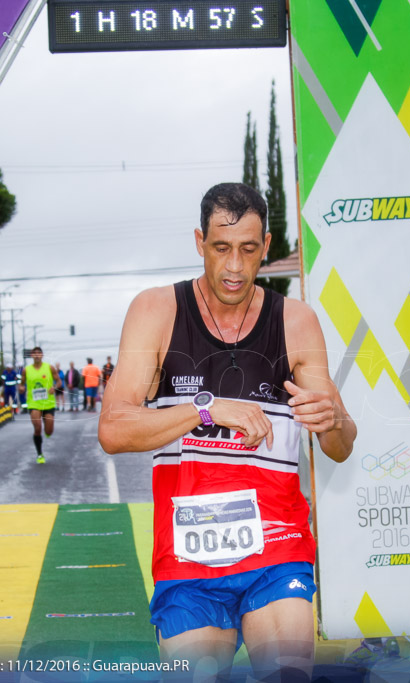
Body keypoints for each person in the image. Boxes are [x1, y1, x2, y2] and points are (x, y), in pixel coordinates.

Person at [98, 183, 356, 681]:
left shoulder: (297, 322)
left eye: (248, 249)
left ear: (267, 245)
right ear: (199, 242)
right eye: (221, 248)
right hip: (188, 559)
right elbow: (113, 429)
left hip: (276, 549)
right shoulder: (157, 311)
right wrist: (208, 408)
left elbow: (340, 447)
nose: (234, 267)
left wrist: (335, 421)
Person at [20, 347, 61, 464]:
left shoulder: (49, 367)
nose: (37, 355)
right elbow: (21, 384)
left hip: (48, 403)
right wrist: (21, 388)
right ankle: (39, 454)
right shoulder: (26, 370)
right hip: (34, 403)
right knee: (37, 427)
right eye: (34, 353)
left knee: (49, 430)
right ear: (31, 356)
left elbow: (59, 381)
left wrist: (55, 387)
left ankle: (47, 433)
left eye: (39, 353)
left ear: (42, 355)